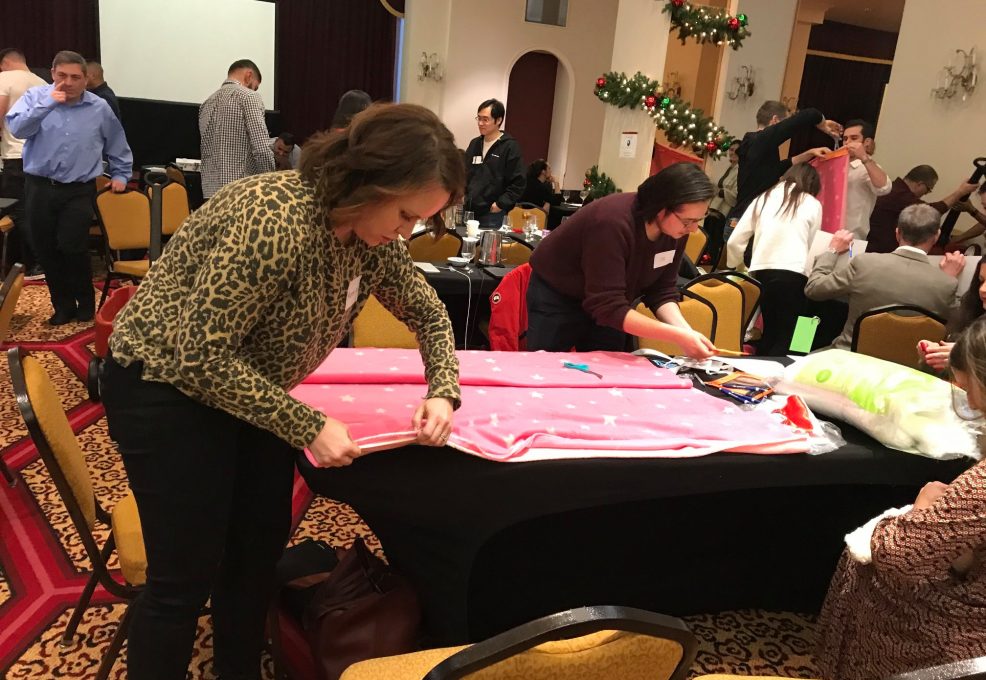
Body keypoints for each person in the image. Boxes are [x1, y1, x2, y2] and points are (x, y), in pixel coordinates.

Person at [100, 103, 464, 680]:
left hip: (253, 393)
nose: (407, 231)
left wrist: (443, 390)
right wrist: (307, 425)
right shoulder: (277, 217)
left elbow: (430, 315)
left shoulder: (375, 242)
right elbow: (201, 355)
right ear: (369, 181)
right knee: (184, 578)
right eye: (404, 214)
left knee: (253, 563)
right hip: (164, 387)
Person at [816, 315, 986, 679]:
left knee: (869, 556)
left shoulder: (979, 487)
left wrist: (925, 506)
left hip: (966, 633)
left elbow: (899, 556)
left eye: (974, 397)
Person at [526, 162, 717, 356]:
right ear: (661, 208)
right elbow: (607, 306)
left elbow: (662, 290)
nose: (693, 229)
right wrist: (676, 336)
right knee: (549, 371)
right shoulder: (612, 222)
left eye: (698, 221)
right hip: (558, 296)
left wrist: (686, 331)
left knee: (608, 372)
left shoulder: (675, 231)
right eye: (688, 221)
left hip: (612, 304)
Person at [5, 50, 132, 324]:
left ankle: (85, 303)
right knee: (47, 249)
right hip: (39, 187)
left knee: (72, 246)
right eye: (62, 75)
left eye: (75, 77)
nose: (69, 82)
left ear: (86, 79)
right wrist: (47, 104)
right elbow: (18, 130)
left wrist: (121, 174)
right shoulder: (36, 98)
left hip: (78, 189)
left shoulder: (99, 108)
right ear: (52, 75)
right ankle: (62, 306)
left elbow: (117, 144)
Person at [805, 204, 964, 349]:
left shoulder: (865, 263)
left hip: (850, 355)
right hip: (906, 369)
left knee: (803, 345)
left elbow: (814, 289)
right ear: (936, 236)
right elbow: (953, 327)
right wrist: (948, 278)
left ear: (897, 233)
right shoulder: (946, 284)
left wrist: (832, 251)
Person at [726, 164, 822, 356]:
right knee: (798, 329)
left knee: (770, 327)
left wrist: (737, 267)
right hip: (797, 272)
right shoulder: (812, 203)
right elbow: (813, 246)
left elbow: (735, 240)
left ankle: (762, 370)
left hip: (762, 271)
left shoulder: (763, 198)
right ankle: (795, 365)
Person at [728, 100, 840, 224]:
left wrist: (810, 153)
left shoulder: (757, 145)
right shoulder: (761, 140)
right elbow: (811, 114)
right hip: (745, 220)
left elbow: (777, 169)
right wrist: (823, 125)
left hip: (742, 219)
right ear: (775, 120)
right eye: (784, 122)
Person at [199, 59, 275, 199]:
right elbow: (261, 147)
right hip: (240, 191)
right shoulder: (249, 97)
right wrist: (270, 183)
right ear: (248, 75)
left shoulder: (206, 104)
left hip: (210, 193)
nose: (254, 90)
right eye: (254, 86)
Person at [0, 47, 45, 279]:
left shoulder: (4, 79)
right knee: (34, 210)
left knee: (17, 210)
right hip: (40, 156)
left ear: (4, 63)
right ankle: (34, 262)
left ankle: (39, 262)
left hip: (15, 155)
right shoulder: (42, 83)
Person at [867, 165, 978, 253]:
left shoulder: (894, 187)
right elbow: (931, 211)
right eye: (928, 190)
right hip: (879, 250)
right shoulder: (901, 195)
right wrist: (960, 192)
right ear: (920, 184)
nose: (925, 194)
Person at [463, 98, 525, 229]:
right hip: (469, 210)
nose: (480, 123)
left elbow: (518, 182)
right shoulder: (474, 144)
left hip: (492, 214)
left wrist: (501, 204)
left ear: (498, 120)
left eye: (485, 119)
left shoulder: (509, 147)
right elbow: (464, 173)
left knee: (488, 248)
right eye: (478, 118)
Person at [919, 257, 986, 372]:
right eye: (981, 281)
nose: (983, 289)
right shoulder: (971, 312)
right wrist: (933, 356)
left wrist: (967, 359)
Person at [841, 119, 891, 238]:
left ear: (867, 142)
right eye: (845, 139)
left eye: (853, 138)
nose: (847, 143)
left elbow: (885, 188)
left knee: (850, 257)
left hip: (852, 238)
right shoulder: (839, 166)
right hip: (825, 232)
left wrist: (864, 157)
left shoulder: (867, 168)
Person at [705, 139, 740, 266]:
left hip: (724, 212)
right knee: (707, 240)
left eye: (736, 150)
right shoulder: (729, 168)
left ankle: (711, 267)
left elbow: (736, 195)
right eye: (731, 149)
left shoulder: (740, 171)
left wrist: (719, 191)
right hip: (714, 209)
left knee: (715, 243)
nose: (733, 152)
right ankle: (704, 266)